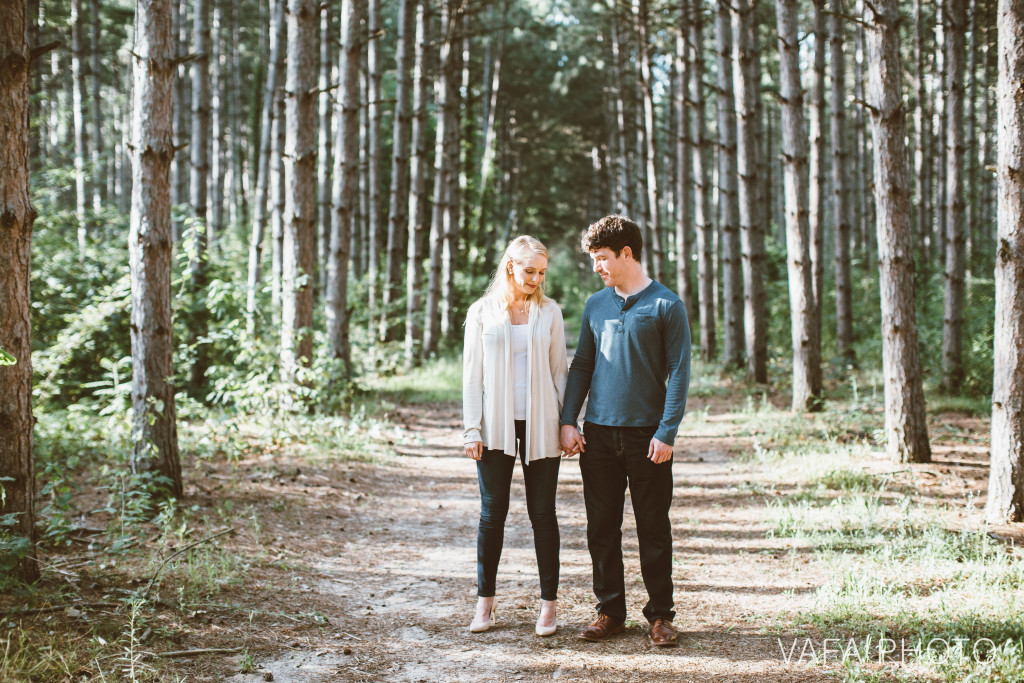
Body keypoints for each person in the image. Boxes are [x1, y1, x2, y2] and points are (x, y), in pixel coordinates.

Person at [559, 215, 691, 648]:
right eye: (594, 259)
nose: (596, 267)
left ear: (626, 254)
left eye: (601, 258)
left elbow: (679, 374)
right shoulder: (596, 305)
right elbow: (582, 364)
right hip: (598, 435)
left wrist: (667, 431)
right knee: (601, 527)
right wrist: (568, 420)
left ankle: (660, 616)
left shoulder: (666, 305)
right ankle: (610, 610)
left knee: (653, 527)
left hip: (646, 437)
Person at [462, 235, 569, 637]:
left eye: (542, 272)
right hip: (494, 426)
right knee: (493, 514)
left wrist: (568, 423)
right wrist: (472, 428)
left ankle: (548, 606)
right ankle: (484, 605)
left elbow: (561, 372)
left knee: (543, 514)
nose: (536, 279)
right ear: (510, 266)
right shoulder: (482, 312)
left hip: (541, 423)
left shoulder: (550, 312)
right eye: (529, 271)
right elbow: (472, 374)